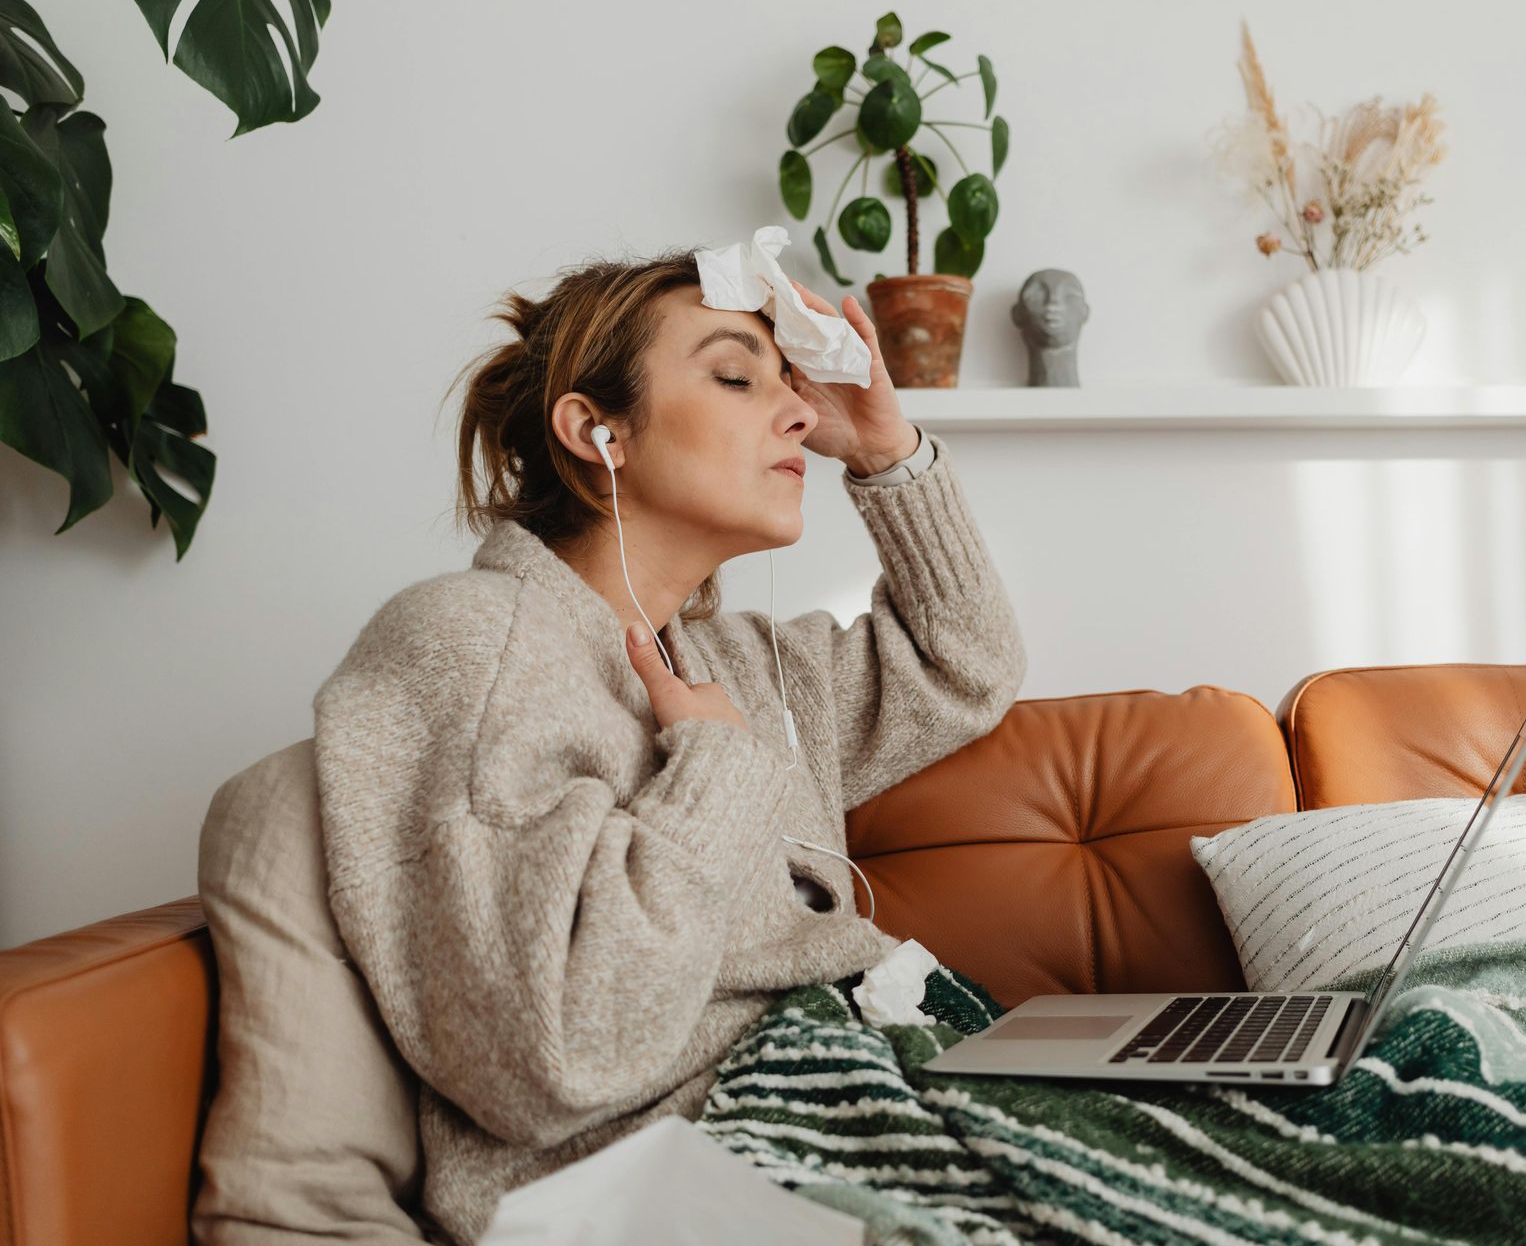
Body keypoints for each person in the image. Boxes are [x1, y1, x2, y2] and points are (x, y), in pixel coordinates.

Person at [310, 248, 1027, 1246]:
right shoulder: (467, 639)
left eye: (792, 385)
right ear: (595, 427)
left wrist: (884, 449)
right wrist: (715, 768)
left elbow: (969, 664)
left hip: (874, 1092)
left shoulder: (742, 660)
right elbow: (549, 1046)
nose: (795, 414)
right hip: (686, 1175)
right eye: (738, 376)